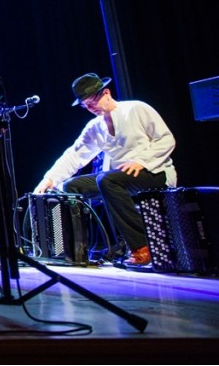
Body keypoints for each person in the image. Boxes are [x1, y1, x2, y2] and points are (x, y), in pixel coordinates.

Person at [33, 73, 177, 267]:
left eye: (92, 101)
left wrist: (142, 161)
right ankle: (75, 250)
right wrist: (49, 178)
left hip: (154, 171)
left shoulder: (136, 108)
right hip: (119, 177)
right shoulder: (95, 127)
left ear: (106, 93)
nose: (90, 108)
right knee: (71, 186)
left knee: (106, 180)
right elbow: (75, 155)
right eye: (85, 105)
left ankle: (143, 246)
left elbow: (166, 139)